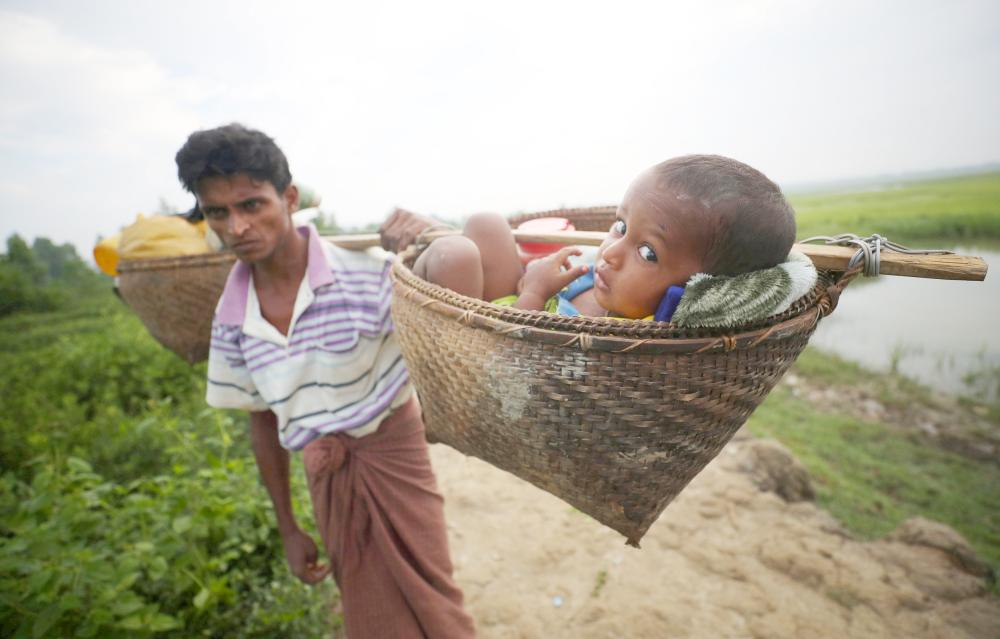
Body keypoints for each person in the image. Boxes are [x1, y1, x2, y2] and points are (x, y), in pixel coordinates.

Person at [179, 123, 475, 638]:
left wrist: (438, 238)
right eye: (218, 212)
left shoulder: (368, 272)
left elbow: (465, 309)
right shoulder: (231, 318)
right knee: (369, 611)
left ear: (288, 198)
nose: (237, 226)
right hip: (326, 473)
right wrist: (289, 527)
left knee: (434, 600)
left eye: (252, 205)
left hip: (392, 455)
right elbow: (262, 422)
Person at [390, 155, 798, 323]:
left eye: (647, 252)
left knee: (455, 256)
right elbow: (533, 283)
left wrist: (532, 295)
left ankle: (447, 335)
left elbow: (520, 355)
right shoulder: (605, 280)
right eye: (620, 226)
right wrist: (538, 278)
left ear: (700, 289)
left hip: (492, 340)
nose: (612, 252)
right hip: (504, 303)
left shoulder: (625, 334)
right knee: (485, 223)